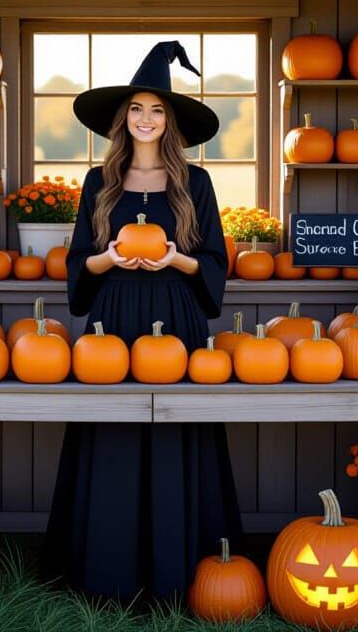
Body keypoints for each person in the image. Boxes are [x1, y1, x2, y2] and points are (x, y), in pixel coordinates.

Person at [42, 41, 243, 603]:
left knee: (176, 432)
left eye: (157, 110)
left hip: (176, 318)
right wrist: (106, 259)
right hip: (112, 321)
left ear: (170, 120)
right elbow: (79, 260)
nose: (146, 119)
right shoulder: (97, 182)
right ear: (122, 119)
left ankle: (181, 574)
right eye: (136, 109)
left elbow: (214, 264)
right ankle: (105, 573)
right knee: (112, 433)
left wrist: (177, 259)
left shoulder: (195, 183)